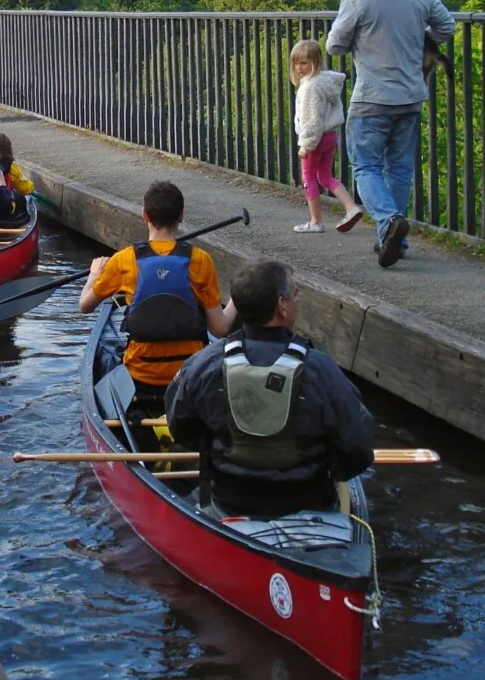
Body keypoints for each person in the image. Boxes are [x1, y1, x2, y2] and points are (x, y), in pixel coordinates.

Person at [166, 261, 375, 520]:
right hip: (308, 506)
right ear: (282, 306)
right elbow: (359, 448)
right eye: (295, 295)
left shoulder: (203, 364)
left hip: (228, 503)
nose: (296, 302)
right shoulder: (321, 369)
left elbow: (181, 428)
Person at [326, 0, 455, 268]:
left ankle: (388, 222)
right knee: (399, 168)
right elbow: (447, 27)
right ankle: (392, 240)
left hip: (371, 96)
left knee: (365, 164)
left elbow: (334, 45)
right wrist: (416, 36)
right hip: (411, 95)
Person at [78, 181, 228, 398]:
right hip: (189, 375)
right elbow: (219, 329)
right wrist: (239, 298)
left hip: (140, 376)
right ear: (182, 216)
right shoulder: (201, 260)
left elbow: (85, 306)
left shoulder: (124, 260)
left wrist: (94, 275)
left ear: (145, 215)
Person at [289, 39, 363, 234]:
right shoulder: (325, 82)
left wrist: (306, 145)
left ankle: (315, 221)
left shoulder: (309, 88)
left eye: (304, 63)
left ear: (316, 62)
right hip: (331, 135)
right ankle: (351, 207)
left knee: (308, 178)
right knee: (325, 175)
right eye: (296, 63)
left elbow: (311, 121)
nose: (299, 67)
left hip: (315, 139)